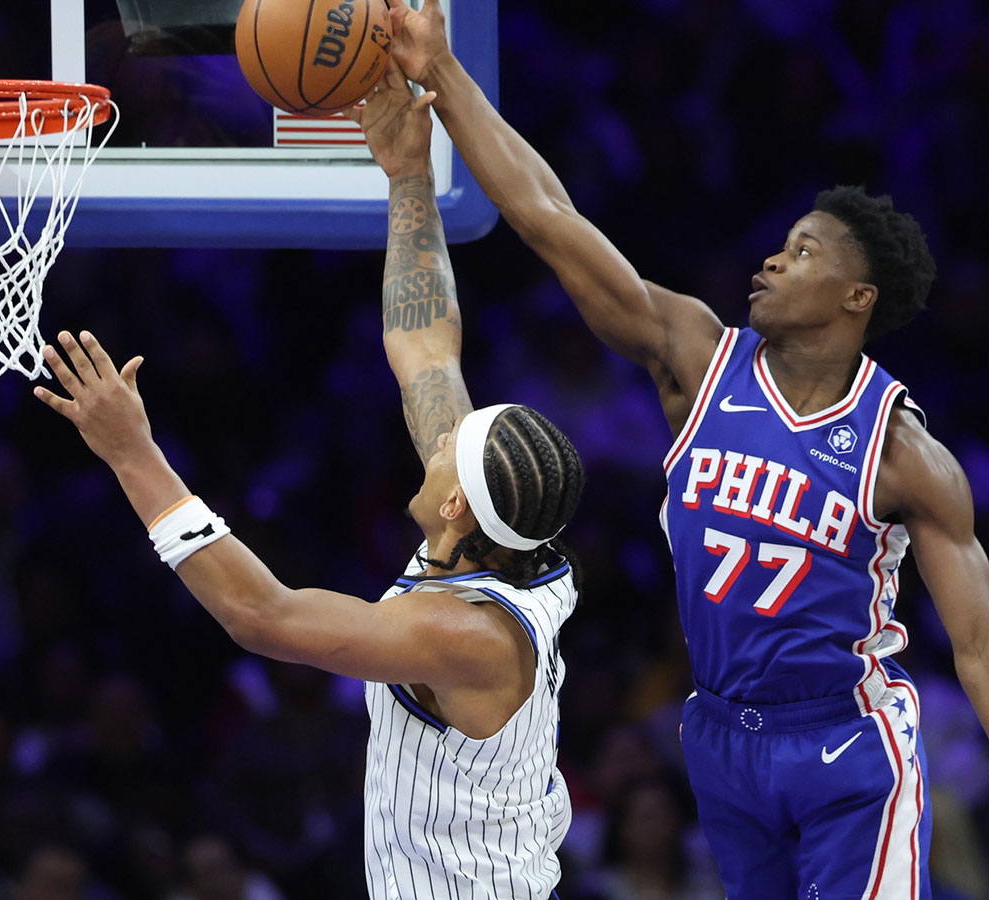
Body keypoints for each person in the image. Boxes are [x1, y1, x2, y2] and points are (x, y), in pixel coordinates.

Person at [378, 2, 989, 898]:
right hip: (720, 737)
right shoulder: (695, 358)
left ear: (856, 297)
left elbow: (984, 648)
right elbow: (548, 218)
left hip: (848, 748)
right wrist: (442, 75)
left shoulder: (904, 454)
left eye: (800, 254)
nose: (770, 261)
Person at [33, 65, 583, 899]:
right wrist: (405, 176)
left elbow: (262, 616)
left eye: (450, 448)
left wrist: (131, 454)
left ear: (457, 504)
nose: (437, 435)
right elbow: (426, 350)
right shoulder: (496, 529)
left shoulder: (469, 637)